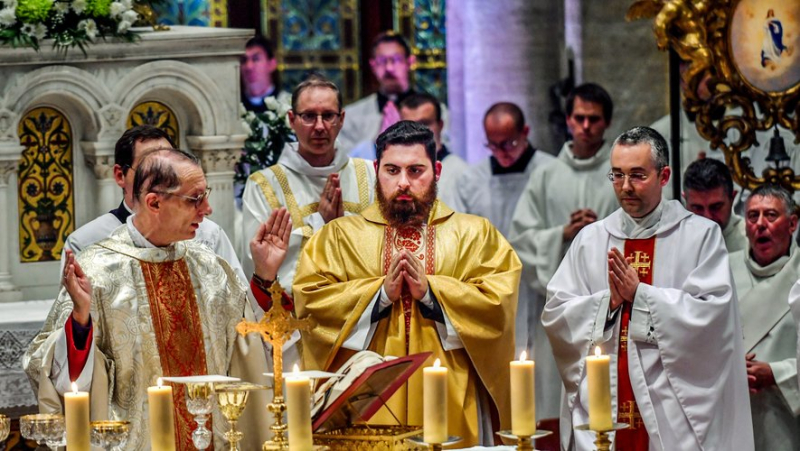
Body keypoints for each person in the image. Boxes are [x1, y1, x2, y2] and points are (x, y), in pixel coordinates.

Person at [24, 149, 273, 451]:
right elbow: (59, 378)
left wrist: (264, 277)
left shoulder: (211, 268)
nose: (207, 209)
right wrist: (80, 322)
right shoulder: (97, 271)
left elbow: (249, 352)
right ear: (155, 202)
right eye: (195, 199)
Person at [293, 121, 520, 447]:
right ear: (376, 170)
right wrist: (379, 295)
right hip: (367, 406)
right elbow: (311, 304)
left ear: (437, 170)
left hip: (453, 397)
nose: (403, 183)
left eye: (416, 171)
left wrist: (432, 294)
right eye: (392, 170)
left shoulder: (475, 234)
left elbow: (498, 304)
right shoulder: (338, 237)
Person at [542, 126, 753, 450]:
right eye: (617, 175)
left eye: (637, 175)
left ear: (664, 175)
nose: (625, 187)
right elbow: (557, 312)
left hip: (673, 412)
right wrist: (606, 304)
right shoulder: (591, 239)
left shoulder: (700, 235)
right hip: (605, 402)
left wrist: (642, 295)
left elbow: (715, 316)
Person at [507, 83, 618, 418]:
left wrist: (601, 232)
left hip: (610, 303)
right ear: (568, 120)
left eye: (594, 119)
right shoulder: (546, 175)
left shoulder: (621, 175)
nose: (586, 126)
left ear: (607, 123)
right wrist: (562, 234)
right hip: (560, 308)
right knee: (557, 400)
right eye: (579, 118)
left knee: (609, 401)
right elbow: (519, 239)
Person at [242, 74, 376, 301]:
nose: (320, 126)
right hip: (295, 322)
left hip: (362, 317)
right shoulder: (264, 185)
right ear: (292, 119)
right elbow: (255, 264)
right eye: (309, 116)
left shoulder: (370, 174)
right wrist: (320, 224)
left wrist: (338, 228)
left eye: (328, 116)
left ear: (341, 119)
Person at [60, 125, 245, 286]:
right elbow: (76, 318)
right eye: (147, 166)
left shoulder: (208, 235)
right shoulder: (87, 243)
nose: (161, 174)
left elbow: (240, 306)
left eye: (168, 164)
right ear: (119, 175)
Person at [729, 184, 800, 450]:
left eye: (771, 215)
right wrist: (727, 364)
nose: (760, 224)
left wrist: (776, 372)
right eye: (752, 216)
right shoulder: (721, 268)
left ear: (792, 223)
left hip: (784, 416)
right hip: (731, 410)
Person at [339, 32, 448, 158]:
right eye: (382, 61)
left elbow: (446, 150)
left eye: (396, 60)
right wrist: (378, 143)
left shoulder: (434, 112)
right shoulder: (352, 116)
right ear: (373, 66)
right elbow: (344, 161)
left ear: (410, 62)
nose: (389, 68)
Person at [452, 102, 554, 237]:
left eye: (508, 144)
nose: (501, 153)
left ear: (525, 132)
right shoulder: (471, 180)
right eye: (493, 145)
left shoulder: (551, 171)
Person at [399, 92, 467, 210]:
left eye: (424, 124)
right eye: (409, 126)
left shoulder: (461, 173)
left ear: (440, 125)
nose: (416, 133)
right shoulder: (394, 174)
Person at [683, 158, 747, 253]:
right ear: (685, 200)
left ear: (732, 199)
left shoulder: (752, 242)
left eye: (716, 207)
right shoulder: (672, 241)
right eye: (697, 208)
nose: (707, 216)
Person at [240, 34, 291, 112]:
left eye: (256, 59)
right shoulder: (234, 106)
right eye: (244, 60)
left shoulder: (287, 104)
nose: (249, 66)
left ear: (272, 64)